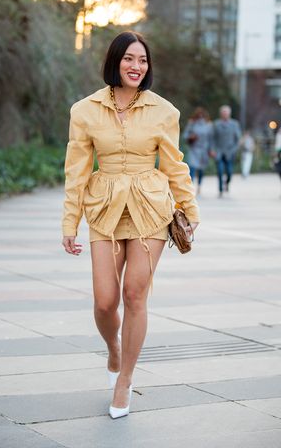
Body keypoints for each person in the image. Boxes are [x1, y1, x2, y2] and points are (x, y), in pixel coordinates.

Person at [61, 31, 200, 419]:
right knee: (106, 301)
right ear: (115, 61)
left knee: (135, 295)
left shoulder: (164, 111)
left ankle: (125, 381)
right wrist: (69, 222)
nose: (136, 66)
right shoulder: (84, 110)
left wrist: (189, 210)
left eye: (142, 60)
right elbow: (76, 171)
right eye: (129, 59)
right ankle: (114, 350)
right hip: (103, 209)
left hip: (149, 209)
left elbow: (174, 165)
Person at [211, 105, 241, 197]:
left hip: (229, 152)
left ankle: (227, 183)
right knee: (219, 171)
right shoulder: (216, 124)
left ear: (229, 114)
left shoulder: (234, 124)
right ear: (221, 114)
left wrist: (234, 149)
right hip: (219, 151)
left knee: (229, 172)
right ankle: (220, 190)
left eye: (226, 113)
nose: (225, 114)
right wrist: (212, 149)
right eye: (223, 113)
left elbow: (238, 139)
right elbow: (212, 138)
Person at [183, 107, 213, 195]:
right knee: (192, 167)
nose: (200, 117)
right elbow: (185, 135)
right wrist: (190, 137)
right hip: (194, 148)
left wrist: (211, 150)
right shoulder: (192, 123)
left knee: (201, 169)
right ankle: (191, 187)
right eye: (198, 115)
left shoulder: (208, 125)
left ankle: (199, 185)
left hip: (204, 150)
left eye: (202, 115)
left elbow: (210, 139)